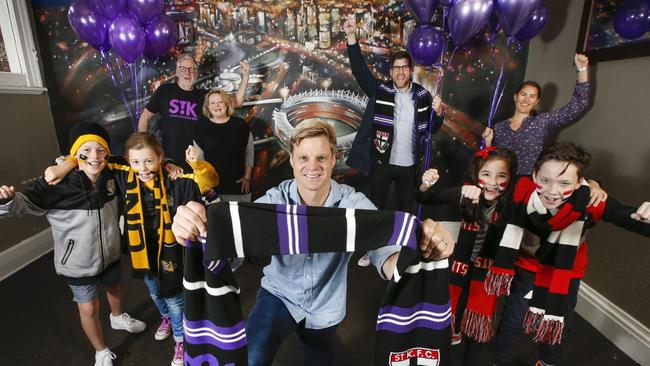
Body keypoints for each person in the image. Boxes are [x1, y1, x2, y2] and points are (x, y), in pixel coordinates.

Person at [170, 120, 456, 366]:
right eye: (304, 158)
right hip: (278, 296)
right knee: (251, 359)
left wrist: (425, 251)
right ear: (292, 160)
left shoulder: (353, 205)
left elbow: (387, 255)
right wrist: (200, 231)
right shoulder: (275, 200)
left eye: (321, 158)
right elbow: (233, 247)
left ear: (334, 159)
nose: (312, 167)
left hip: (325, 307)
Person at [45, 132, 218, 366]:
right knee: (155, 292)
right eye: (136, 162)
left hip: (170, 251)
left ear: (160, 157)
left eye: (149, 161)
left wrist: (195, 164)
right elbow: (94, 157)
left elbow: (208, 182)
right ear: (128, 160)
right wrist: (66, 164)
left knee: (175, 298)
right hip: (141, 251)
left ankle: (180, 339)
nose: (143, 168)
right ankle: (165, 318)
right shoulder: (123, 174)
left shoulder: (174, 179)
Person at [486, 143, 650, 366]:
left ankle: (547, 362)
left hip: (565, 274)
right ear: (534, 174)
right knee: (512, 320)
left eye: (564, 183)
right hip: (527, 267)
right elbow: (486, 186)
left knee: (556, 323)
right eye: (545, 180)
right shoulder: (520, 188)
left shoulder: (591, 202)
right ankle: (500, 361)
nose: (553, 191)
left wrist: (646, 216)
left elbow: (629, 218)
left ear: (579, 183)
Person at [0, 123, 146, 366]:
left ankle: (118, 317)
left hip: (110, 254)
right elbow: (22, 204)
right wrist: (6, 200)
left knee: (117, 289)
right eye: (86, 150)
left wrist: (168, 164)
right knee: (89, 308)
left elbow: (139, 159)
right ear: (74, 153)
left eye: (101, 150)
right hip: (77, 264)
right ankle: (101, 351)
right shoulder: (56, 184)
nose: (95, 156)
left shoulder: (112, 172)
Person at [417, 146, 518, 365]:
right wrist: (426, 183)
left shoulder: (513, 202)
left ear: (511, 178)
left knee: (477, 326)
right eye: (486, 174)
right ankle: (451, 339)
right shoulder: (467, 193)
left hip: (490, 269)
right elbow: (424, 197)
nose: (493, 183)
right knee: (453, 312)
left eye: (501, 176)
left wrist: (594, 186)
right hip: (461, 263)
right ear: (476, 175)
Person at [342, 16, 444, 213]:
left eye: (404, 67)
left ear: (411, 70)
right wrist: (351, 36)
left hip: (409, 165)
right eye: (396, 68)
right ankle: (375, 242)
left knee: (407, 210)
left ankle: (404, 243)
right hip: (382, 162)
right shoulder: (380, 90)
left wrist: (438, 112)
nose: (400, 72)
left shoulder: (422, 95)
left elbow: (433, 127)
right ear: (391, 70)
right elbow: (360, 71)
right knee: (375, 208)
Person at [483, 54, 591, 176]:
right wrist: (487, 143)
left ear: (536, 102)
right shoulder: (499, 127)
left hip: (529, 183)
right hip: (502, 184)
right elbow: (489, 162)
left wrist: (582, 70)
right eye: (523, 94)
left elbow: (578, 105)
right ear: (515, 96)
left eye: (532, 96)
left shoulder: (541, 121)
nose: (526, 100)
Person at [138, 53, 250, 170]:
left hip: (196, 163)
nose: (187, 72)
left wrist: (246, 76)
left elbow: (237, 102)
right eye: (183, 69)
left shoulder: (204, 96)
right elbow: (144, 118)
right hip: (167, 162)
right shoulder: (164, 91)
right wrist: (146, 148)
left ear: (196, 73)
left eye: (192, 69)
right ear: (177, 72)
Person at [193, 89, 254, 203]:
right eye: (212, 103)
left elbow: (249, 153)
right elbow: (199, 163)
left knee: (239, 220)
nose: (217, 105)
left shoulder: (240, 125)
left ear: (226, 103)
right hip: (212, 191)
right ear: (208, 107)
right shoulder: (201, 128)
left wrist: (247, 177)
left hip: (238, 188)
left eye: (220, 102)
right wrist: (207, 189)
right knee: (216, 220)